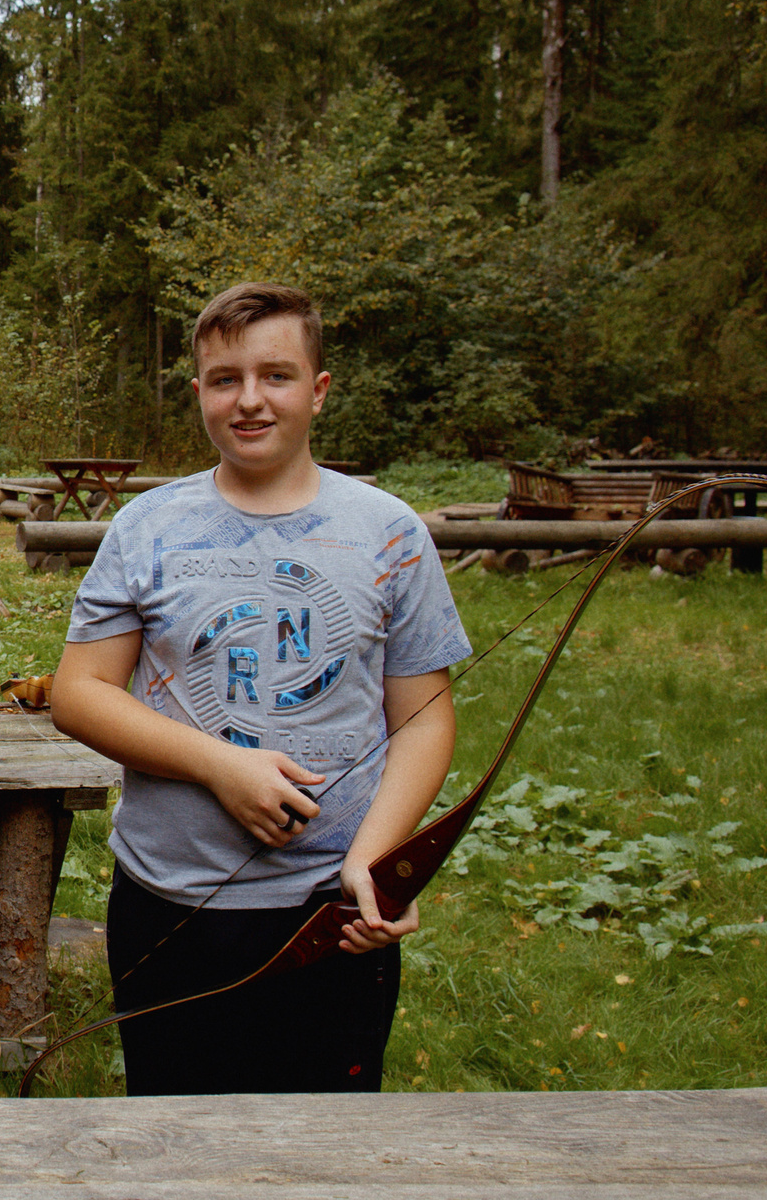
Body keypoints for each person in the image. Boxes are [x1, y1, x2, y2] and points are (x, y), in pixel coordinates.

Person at [47, 281, 470, 1095]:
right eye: (223, 378)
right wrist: (218, 765)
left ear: (317, 391)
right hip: (169, 905)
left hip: (330, 914)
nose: (249, 400)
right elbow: (80, 691)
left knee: (322, 1152)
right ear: (198, 391)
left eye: (276, 376)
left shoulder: (389, 531)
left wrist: (377, 861)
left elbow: (422, 716)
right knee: (173, 1139)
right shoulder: (148, 527)